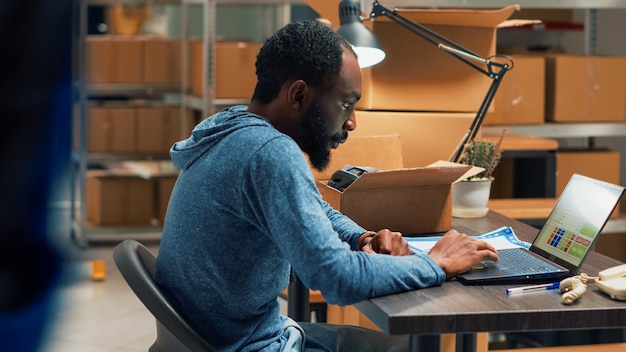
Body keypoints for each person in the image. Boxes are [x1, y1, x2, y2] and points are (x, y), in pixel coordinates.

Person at [154, 20, 499, 352]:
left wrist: (362, 238)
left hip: (224, 337)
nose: (352, 121)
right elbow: (336, 277)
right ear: (299, 94)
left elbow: (314, 208)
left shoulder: (233, 129)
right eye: (346, 103)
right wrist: (436, 264)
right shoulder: (270, 153)